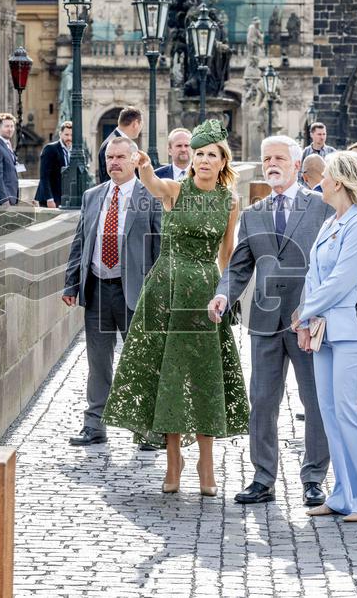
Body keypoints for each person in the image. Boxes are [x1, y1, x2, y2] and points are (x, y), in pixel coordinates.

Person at [102, 119, 250, 497]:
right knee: (167, 374)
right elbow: (151, 184)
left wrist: (225, 297)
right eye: (198, 153)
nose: (202, 159)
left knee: (202, 375)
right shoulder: (175, 191)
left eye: (210, 155)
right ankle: (173, 461)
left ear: (222, 162)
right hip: (164, 290)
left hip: (202, 293)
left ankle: (205, 461)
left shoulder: (230, 201)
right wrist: (145, 166)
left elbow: (227, 253)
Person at [209, 135, 332, 507]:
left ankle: (314, 478)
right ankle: (263, 478)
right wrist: (223, 294)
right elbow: (239, 266)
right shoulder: (253, 214)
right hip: (264, 321)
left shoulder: (323, 208)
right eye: (266, 158)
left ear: (297, 164)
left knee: (315, 402)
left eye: (279, 157)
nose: (271, 164)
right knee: (262, 402)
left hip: (308, 322)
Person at [292, 150, 357, 523]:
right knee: (331, 414)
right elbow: (313, 276)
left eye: (326, 176)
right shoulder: (332, 222)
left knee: (351, 414)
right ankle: (345, 494)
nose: (320, 181)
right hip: (325, 329)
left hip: (352, 331)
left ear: (340, 182)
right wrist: (308, 315)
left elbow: (343, 280)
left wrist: (304, 312)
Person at [62, 138, 164, 446]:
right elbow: (80, 242)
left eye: (120, 157)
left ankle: (145, 428)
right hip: (96, 289)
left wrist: (158, 292)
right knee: (98, 362)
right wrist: (71, 283)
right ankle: (94, 426)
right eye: (110, 157)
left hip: (134, 290)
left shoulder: (150, 197)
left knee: (139, 361)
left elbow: (160, 246)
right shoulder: (93, 196)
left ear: (135, 160)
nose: (114, 162)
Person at [97, 106, 143, 184]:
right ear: (135, 124)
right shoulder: (111, 144)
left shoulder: (129, 143)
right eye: (141, 124)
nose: (141, 128)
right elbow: (110, 178)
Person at [34, 121, 72, 208]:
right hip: (50, 199)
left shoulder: (72, 151)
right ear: (60, 134)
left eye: (71, 135)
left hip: (64, 198)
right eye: (66, 135)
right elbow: (44, 177)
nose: (69, 138)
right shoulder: (50, 149)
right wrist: (50, 199)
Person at [0, 113, 20, 206]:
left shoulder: (7, 145)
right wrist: (4, 200)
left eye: (12, 126)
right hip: (1, 202)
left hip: (11, 198)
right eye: (6, 126)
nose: (10, 129)